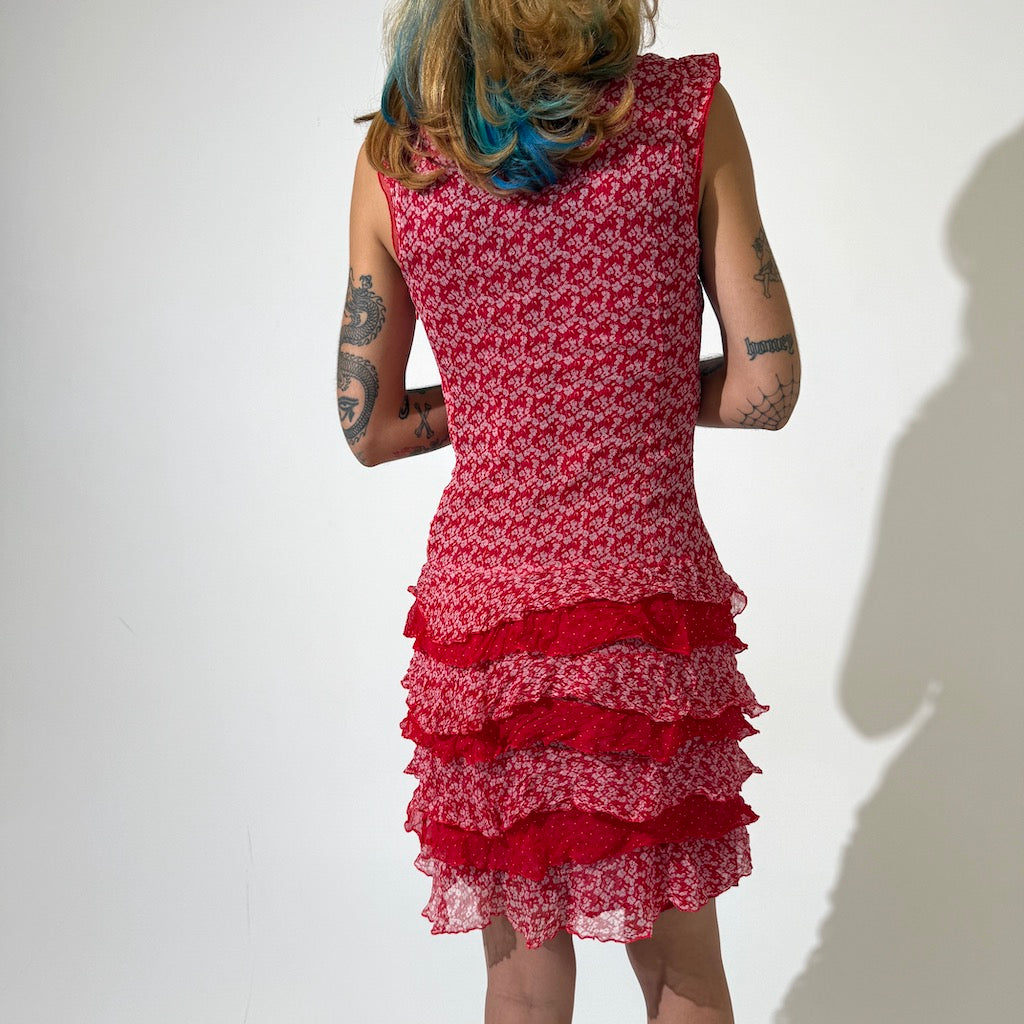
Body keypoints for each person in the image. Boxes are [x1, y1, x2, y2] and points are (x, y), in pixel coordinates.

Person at [336, 1, 800, 1021]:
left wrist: (509, 403)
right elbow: (766, 389)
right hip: (643, 614)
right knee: (682, 971)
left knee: (520, 985)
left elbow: (367, 427)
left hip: (486, 630)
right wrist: (622, 391)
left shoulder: (401, 155)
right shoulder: (680, 111)